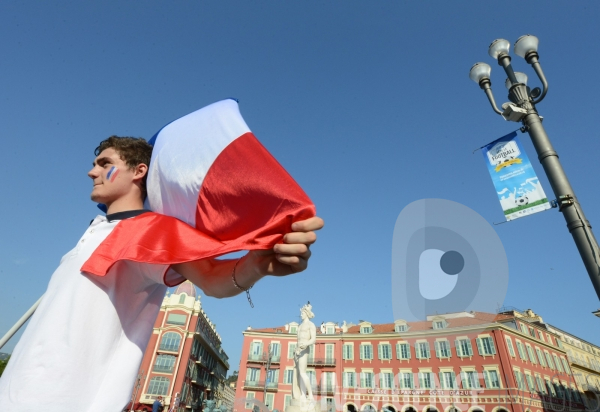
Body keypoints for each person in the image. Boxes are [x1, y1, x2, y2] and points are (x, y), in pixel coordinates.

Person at [0, 136, 324, 411]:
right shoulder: (95, 229)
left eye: (103, 163)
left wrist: (257, 264)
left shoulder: (149, 230)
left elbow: (211, 278)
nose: (91, 171)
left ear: (139, 171)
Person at [292, 303, 317, 401]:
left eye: (302, 313)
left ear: (306, 313)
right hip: (297, 350)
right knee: (298, 374)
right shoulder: (300, 326)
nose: (301, 315)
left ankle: (310, 394)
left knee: (302, 372)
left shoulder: (311, 325)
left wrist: (306, 344)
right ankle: (302, 394)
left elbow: (313, 339)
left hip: (304, 349)